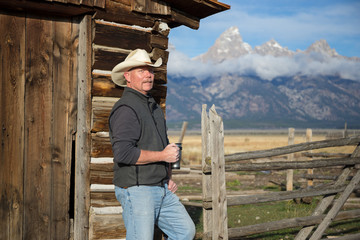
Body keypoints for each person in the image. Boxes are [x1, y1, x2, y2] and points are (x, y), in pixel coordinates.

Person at [109, 49, 196, 240]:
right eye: (141, 70)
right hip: (137, 188)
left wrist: (166, 176)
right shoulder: (126, 108)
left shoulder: (154, 107)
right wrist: (163, 156)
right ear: (127, 76)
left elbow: (161, 146)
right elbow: (123, 154)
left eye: (150, 71)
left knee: (185, 232)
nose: (148, 75)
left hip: (160, 187)